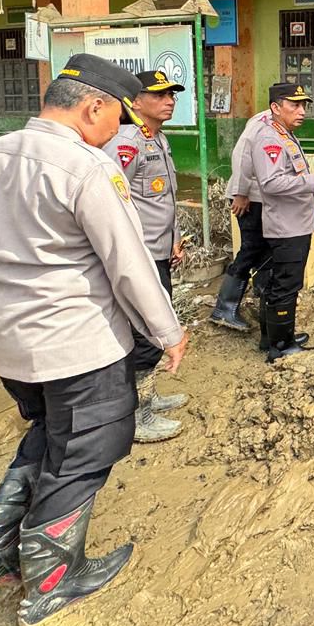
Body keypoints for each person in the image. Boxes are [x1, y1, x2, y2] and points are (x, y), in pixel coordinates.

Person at [0, 54, 189, 626]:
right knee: (85, 451)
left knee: (50, 433)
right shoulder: (84, 167)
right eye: (116, 118)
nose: (118, 130)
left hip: (8, 346)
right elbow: (127, 263)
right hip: (76, 343)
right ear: (92, 106)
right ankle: (52, 582)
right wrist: (167, 332)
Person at [102, 69, 188, 444]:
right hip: (138, 256)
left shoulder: (157, 138)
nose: (169, 100)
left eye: (172, 95)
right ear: (134, 102)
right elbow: (113, 205)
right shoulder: (126, 142)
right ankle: (136, 414)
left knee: (152, 328)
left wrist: (175, 237)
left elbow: (161, 199)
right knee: (144, 331)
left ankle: (148, 395)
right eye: (160, 95)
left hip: (158, 249)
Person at [244, 82, 314, 361]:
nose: (302, 111)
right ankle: (280, 347)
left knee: (282, 284)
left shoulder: (284, 134)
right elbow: (272, 183)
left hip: (295, 223)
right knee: (285, 286)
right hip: (286, 227)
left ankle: (276, 337)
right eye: (294, 105)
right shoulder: (270, 140)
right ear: (276, 108)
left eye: (304, 106)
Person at [211, 103, 276, 336]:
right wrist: (240, 192)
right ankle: (224, 308)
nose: (300, 111)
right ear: (279, 104)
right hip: (250, 198)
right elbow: (241, 156)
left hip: (265, 199)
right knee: (250, 249)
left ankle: (264, 301)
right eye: (294, 104)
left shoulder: (280, 125)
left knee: (267, 250)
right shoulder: (261, 123)